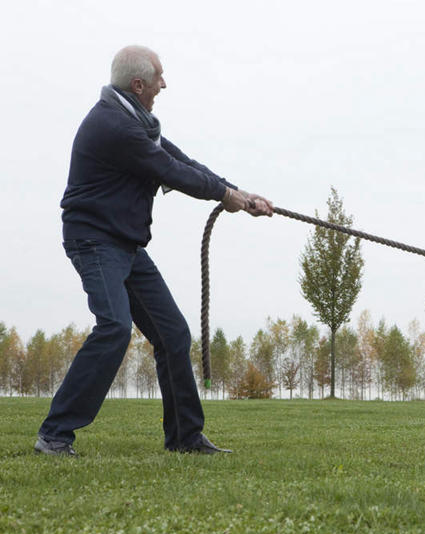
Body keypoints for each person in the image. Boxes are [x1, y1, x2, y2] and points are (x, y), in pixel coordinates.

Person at [34, 45, 274, 456]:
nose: (164, 84)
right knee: (114, 327)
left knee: (173, 333)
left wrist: (239, 193)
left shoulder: (138, 124)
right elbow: (170, 171)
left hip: (125, 245)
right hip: (94, 240)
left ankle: (185, 437)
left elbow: (182, 161)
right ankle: (54, 435)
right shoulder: (114, 126)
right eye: (159, 77)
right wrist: (227, 196)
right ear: (138, 84)